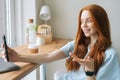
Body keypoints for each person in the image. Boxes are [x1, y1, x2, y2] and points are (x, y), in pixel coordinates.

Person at [2, 4, 120, 80]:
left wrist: (90, 72)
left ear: (100, 22)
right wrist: (18, 57)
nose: (83, 25)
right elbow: (49, 56)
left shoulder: (110, 55)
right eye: (82, 21)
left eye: (89, 21)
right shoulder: (78, 44)